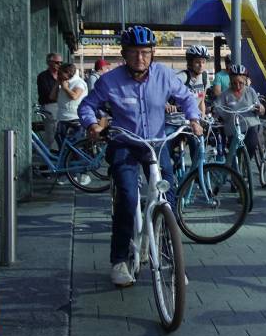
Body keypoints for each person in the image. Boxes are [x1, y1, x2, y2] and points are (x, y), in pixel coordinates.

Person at [78, 26, 203, 287]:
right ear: (124, 54)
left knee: (167, 198)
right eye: (134, 53)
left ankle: (171, 257)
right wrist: (92, 124)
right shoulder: (110, 81)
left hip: (156, 144)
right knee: (127, 197)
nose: (140, 58)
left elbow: (187, 97)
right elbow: (87, 105)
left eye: (145, 52)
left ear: (153, 53)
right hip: (125, 143)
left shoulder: (165, 76)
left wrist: (194, 119)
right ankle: (120, 260)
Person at [213, 64, 265, 162]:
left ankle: (247, 163)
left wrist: (261, 108)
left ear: (245, 80)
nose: (237, 86)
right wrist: (214, 111)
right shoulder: (225, 94)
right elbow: (216, 107)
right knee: (233, 153)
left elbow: (261, 109)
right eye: (234, 83)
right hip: (233, 127)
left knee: (252, 143)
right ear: (230, 80)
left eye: (240, 83)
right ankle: (235, 170)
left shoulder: (250, 92)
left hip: (249, 125)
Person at [55, 63, 88, 147]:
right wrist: (57, 84)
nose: (58, 75)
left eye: (60, 73)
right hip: (62, 118)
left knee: (74, 145)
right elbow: (51, 96)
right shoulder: (63, 82)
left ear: (68, 73)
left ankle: (74, 159)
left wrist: (65, 88)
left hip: (74, 119)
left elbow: (75, 96)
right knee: (60, 141)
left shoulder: (79, 83)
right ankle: (64, 159)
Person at [37, 52, 62, 148]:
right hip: (49, 106)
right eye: (57, 62)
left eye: (61, 62)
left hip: (62, 106)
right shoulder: (43, 76)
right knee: (51, 133)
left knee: (60, 132)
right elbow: (48, 94)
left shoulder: (62, 75)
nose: (59, 65)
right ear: (49, 62)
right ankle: (52, 156)